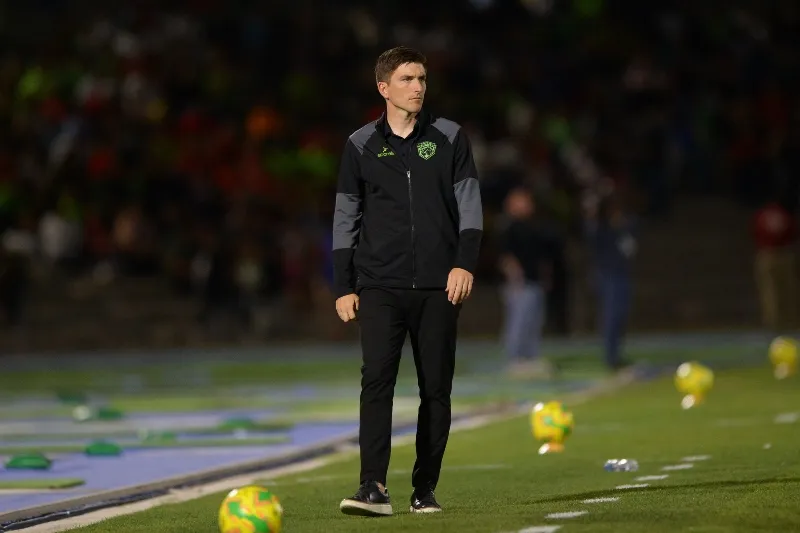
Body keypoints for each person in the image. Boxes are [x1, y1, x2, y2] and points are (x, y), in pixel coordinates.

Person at [331, 46, 483, 517]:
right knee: (376, 380)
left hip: (440, 286)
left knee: (435, 389)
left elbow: (471, 208)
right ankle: (372, 486)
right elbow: (345, 216)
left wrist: (465, 263)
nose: (418, 87)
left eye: (421, 79)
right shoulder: (359, 144)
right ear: (384, 88)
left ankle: (425, 490)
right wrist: (344, 284)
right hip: (378, 285)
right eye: (407, 79)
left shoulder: (450, 137)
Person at [496, 187, 554, 378]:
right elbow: (505, 256)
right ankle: (516, 359)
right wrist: (515, 278)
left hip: (534, 281)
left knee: (535, 321)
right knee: (518, 322)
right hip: (520, 283)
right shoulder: (509, 227)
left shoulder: (533, 226)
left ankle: (530, 357)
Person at [584, 194, 636, 371]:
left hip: (621, 275)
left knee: (620, 315)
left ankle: (616, 353)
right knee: (611, 316)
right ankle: (610, 356)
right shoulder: (600, 229)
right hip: (607, 276)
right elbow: (589, 234)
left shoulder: (623, 228)